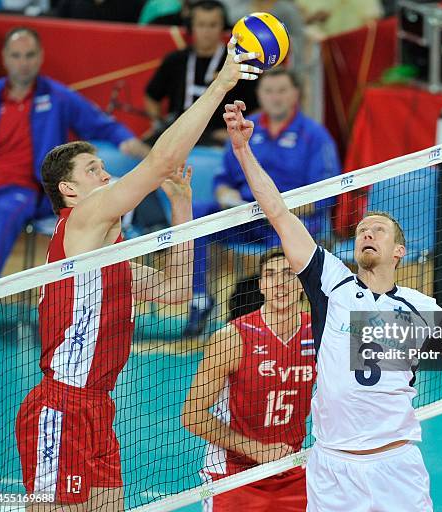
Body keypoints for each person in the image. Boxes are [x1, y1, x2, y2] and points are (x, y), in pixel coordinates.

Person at [221, 99, 442, 512]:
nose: (367, 234)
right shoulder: (332, 284)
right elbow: (278, 212)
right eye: (361, 230)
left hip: (396, 467)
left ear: (398, 250)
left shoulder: (422, 308)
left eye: (378, 230)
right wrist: (242, 149)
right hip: (333, 469)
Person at [14, 40, 262, 511]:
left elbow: (175, 290)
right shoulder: (83, 221)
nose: (106, 177)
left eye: (105, 168)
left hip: (97, 409)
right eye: (94, 170)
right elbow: (160, 161)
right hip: (61, 407)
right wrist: (223, 82)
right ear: (69, 190)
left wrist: (182, 205)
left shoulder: (111, 257)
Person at [186, 67, 340, 335]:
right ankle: (200, 300)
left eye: (282, 90)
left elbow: (325, 197)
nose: (275, 97)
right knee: (199, 214)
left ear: (295, 95)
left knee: (286, 253)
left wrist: (277, 210)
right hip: (247, 218)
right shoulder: (245, 128)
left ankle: (295, 319)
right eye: (269, 91)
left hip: (293, 223)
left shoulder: (315, 136)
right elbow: (223, 180)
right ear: (259, 95)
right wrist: (225, 195)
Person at [0, 27, 149, 282]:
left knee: (9, 208)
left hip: (28, 191)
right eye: (16, 55)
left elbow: (101, 123)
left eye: (29, 55)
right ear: (5, 57)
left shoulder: (58, 97)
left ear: (40, 57)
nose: (23, 63)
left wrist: (130, 143)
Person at [183, 249, 315, 511]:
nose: (280, 282)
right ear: (262, 285)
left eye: (289, 274)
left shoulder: (319, 332)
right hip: (234, 475)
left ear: (301, 282)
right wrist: (257, 450)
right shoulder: (231, 339)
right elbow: (192, 415)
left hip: (291, 469)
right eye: (270, 275)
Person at [145, 0, 258, 146]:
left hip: (219, 136)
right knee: (140, 150)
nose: (206, 31)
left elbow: (258, 108)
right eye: (201, 25)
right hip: (178, 132)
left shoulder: (237, 63)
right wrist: (158, 123)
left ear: (223, 27)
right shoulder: (175, 60)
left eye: (213, 25)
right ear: (191, 27)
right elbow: (152, 96)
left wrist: (237, 131)